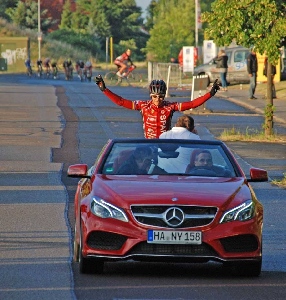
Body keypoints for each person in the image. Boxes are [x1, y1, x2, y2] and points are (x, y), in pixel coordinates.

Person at [94, 76, 220, 139]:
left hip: (165, 144)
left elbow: (192, 104)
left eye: (160, 97)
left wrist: (210, 93)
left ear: (164, 96)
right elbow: (121, 102)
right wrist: (104, 90)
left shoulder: (170, 106)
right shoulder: (143, 106)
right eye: (154, 96)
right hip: (148, 145)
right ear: (150, 95)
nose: (157, 100)